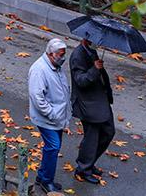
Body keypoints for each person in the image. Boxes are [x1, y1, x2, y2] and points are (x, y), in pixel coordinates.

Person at [27, 37, 71, 195]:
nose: (63, 57)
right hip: (48, 118)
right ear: (51, 54)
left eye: (64, 54)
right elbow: (37, 98)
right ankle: (46, 181)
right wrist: (52, 114)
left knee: (52, 147)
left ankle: (42, 176)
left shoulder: (55, 67)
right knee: (53, 147)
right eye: (60, 54)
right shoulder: (40, 70)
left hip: (57, 117)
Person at [70, 37, 115, 184]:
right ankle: (83, 169)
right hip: (88, 104)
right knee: (91, 138)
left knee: (108, 132)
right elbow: (80, 81)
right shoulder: (78, 55)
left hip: (100, 101)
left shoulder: (91, 51)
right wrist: (95, 68)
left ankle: (89, 163)